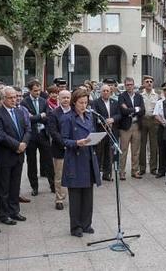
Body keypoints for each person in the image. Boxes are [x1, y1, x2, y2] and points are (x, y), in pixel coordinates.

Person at [61, 89, 102, 237]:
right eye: (81, 103)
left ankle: (86, 224)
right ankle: (76, 227)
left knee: (88, 194)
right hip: (75, 159)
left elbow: (92, 132)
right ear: (74, 102)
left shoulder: (90, 116)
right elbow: (63, 140)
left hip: (89, 157)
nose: (84, 105)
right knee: (76, 196)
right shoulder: (67, 118)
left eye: (86, 102)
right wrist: (77, 142)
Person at [0, 87, 31, 225]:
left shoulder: (20, 112)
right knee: (3, 187)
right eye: (11, 97)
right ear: (3, 99)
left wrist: (24, 143)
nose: (15, 100)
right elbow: (1, 135)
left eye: (15, 97)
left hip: (19, 155)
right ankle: (4, 214)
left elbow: (28, 129)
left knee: (15, 185)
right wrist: (17, 145)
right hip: (6, 155)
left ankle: (14, 211)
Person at [22, 80, 54, 196]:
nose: (37, 93)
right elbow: (27, 119)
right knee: (31, 162)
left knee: (48, 161)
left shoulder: (43, 101)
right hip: (31, 136)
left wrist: (36, 117)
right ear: (30, 90)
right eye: (35, 91)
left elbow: (48, 117)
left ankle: (53, 184)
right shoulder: (24, 103)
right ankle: (34, 187)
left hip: (43, 134)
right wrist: (40, 116)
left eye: (39, 90)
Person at [48, 90, 72, 210]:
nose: (66, 100)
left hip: (73, 148)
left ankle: (73, 196)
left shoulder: (75, 111)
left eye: (68, 97)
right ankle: (59, 199)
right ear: (59, 99)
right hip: (59, 149)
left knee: (73, 173)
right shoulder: (54, 113)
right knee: (59, 175)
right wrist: (64, 144)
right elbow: (53, 132)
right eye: (63, 98)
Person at [92, 85, 120, 182]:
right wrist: (105, 121)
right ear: (100, 92)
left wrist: (113, 119)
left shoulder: (115, 102)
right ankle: (97, 174)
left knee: (109, 154)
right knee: (99, 153)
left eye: (107, 91)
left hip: (112, 132)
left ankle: (107, 174)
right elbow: (95, 115)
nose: (105, 92)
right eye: (103, 91)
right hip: (101, 131)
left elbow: (119, 114)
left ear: (110, 92)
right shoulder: (95, 102)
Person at [118, 77, 145, 180]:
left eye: (131, 84)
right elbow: (123, 111)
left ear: (134, 85)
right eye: (127, 85)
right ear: (125, 86)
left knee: (136, 150)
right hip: (125, 127)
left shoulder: (139, 96)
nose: (129, 86)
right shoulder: (121, 96)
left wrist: (129, 110)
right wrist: (135, 109)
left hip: (136, 126)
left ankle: (135, 171)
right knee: (123, 150)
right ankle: (122, 172)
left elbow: (142, 110)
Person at [139, 75, 161, 176]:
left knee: (154, 145)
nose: (149, 83)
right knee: (142, 145)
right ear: (143, 84)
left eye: (150, 82)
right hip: (143, 120)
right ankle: (142, 168)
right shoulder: (140, 95)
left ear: (153, 83)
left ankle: (153, 168)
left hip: (153, 121)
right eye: (147, 81)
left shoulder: (157, 95)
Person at [154, 83, 166, 178]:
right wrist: (163, 122)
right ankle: (161, 170)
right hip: (162, 127)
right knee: (161, 149)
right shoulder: (159, 102)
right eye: (165, 90)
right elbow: (156, 114)